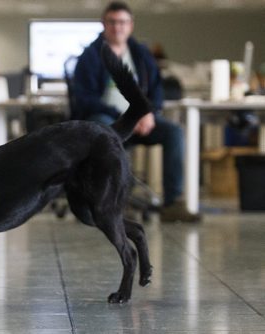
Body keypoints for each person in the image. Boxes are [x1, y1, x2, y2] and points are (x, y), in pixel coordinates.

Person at [74, 1, 200, 223]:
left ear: (130, 25)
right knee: (106, 132)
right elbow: (85, 99)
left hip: (140, 119)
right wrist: (123, 117)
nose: (117, 27)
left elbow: (157, 88)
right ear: (104, 24)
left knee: (174, 133)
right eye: (112, 22)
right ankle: (114, 203)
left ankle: (172, 204)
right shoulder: (90, 56)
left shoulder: (141, 53)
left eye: (122, 22)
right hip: (107, 118)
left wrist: (148, 112)